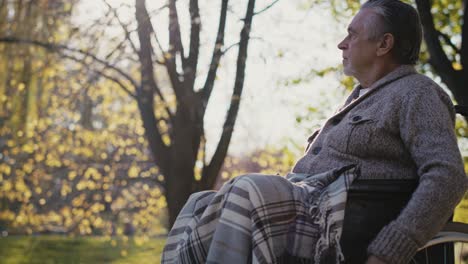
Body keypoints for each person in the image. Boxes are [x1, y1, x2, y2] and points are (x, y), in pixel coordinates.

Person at [162, 1, 467, 263]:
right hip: (310, 208)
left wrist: (392, 248)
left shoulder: (418, 93)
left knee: (246, 191)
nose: (342, 43)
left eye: (352, 34)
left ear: (384, 44)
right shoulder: (358, 98)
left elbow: (447, 177)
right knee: (200, 203)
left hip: (346, 221)